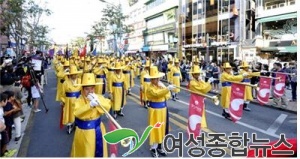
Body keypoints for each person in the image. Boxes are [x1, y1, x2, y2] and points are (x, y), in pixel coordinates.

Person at [70, 73, 111, 157]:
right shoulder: (78, 100)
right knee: (86, 153)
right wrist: (90, 105)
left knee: (99, 151)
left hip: (98, 130)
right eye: (87, 89)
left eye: (92, 88)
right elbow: (76, 112)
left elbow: (108, 106)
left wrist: (98, 101)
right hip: (84, 133)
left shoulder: (98, 97)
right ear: (82, 89)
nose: (90, 91)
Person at [145, 66, 175, 157]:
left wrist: (164, 87)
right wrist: (166, 89)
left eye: (157, 78)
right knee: (155, 128)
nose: (157, 80)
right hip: (155, 111)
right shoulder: (150, 88)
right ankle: (153, 147)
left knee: (163, 128)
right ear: (151, 80)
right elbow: (156, 95)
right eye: (154, 79)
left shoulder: (160, 86)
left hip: (163, 109)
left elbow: (168, 96)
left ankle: (160, 146)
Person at [60, 65, 82, 134]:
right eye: (73, 74)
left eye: (75, 74)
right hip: (69, 101)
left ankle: (77, 125)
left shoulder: (80, 81)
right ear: (70, 75)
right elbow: (62, 94)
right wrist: (63, 101)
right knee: (69, 114)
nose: (74, 76)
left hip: (78, 99)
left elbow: (83, 91)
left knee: (78, 113)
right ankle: (69, 126)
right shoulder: (65, 83)